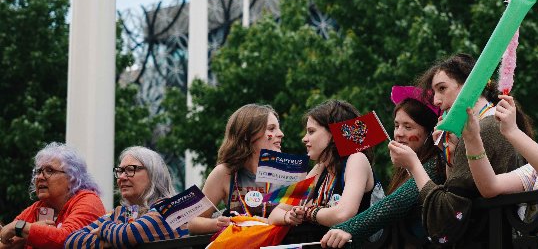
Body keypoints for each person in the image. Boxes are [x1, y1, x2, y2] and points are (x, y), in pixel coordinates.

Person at [388, 53, 524, 245]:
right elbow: (461, 193)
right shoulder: (492, 124)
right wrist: (449, 157)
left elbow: (447, 215)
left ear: (471, 85)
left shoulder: (486, 128)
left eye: (442, 89)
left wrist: (414, 165)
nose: (436, 100)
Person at [321, 88, 444, 247]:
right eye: (396, 125)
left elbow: (396, 203)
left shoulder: (438, 162)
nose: (398, 133)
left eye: (408, 127)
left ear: (429, 131)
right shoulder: (403, 168)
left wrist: (349, 228)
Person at [270, 99, 375, 228]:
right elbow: (275, 214)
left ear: (333, 134)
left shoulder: (356, 159)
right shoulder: (320, 168)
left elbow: (342, 214)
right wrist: (289, 216)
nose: (304, 139)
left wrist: (308, 212)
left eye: (311, 131)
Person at [187, 104, 285, 234]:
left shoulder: (287, 170)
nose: (281, 134)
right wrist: (218, 223)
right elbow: (193, 222)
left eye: (278, 129)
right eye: (271, 129)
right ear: (247, 135)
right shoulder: (225, 173)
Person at [66, 147, 183, 248]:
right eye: (120, 171)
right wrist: (113, 241)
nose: (121, 177)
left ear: (154, 174)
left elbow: (131, 233)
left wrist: (104, 230)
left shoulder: (171, 207)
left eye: (130, 170)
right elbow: (72, 241)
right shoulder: (120, 213)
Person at [0, 143, 106, 249]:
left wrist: (19, 227)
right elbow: (4, 240)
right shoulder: (38, 207)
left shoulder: (89, 201)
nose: (40, 177)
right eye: (38, 171)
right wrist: (24, 235)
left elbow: (68, 239)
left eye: (49, 170)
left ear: (72, 179)